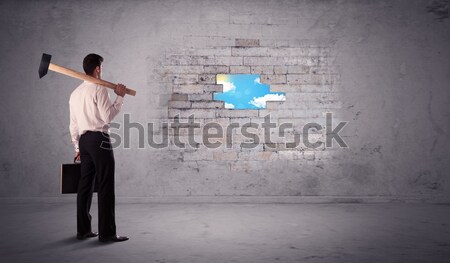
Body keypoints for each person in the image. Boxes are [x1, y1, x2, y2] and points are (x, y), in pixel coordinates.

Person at [69, 53, 129, 242]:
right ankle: (107, 234)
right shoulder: (100, 89)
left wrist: (76, 148)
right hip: (99, 140)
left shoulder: (75, 93)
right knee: (105, 184)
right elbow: (107, 117)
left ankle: (83, 231)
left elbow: (73, 125)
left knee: (85, 186)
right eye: (101, 67)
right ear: (97, 69)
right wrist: (119, 97)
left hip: (83, 142)